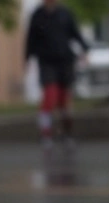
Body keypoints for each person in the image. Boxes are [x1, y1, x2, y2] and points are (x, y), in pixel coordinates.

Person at [25, 0, 89, 149]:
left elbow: (75, 33)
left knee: (64, 100)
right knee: (50, 95)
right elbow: (30, 39)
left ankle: (67, 133)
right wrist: (27, 58)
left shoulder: (65, 13)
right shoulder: (37, 16)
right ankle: (45, 134)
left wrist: (85, 49)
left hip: (65, 61)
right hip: (47, 62)